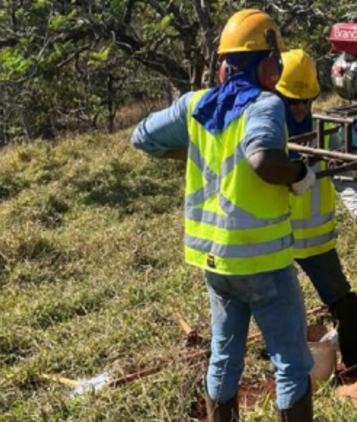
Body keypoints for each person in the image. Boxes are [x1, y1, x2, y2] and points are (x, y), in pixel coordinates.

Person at [130, 10, 316, 421]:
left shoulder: (195, 105)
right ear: (268, 66)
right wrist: (299, 174)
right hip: (263, 262)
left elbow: (141, 137)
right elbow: (262, 159)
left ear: (223, 66)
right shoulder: (266, 104)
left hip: (216, 263)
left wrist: (189, 151)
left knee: (224, 355)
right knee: (290, 362)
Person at [275, 49, 357, 371]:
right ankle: (289, 370)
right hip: (276, 242)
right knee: (278, 306)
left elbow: (343, 176)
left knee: (341, 298)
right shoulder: (267, 135)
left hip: (317, 243)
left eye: (306, 101)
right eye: (292, 102)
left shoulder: (326, 132)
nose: (300, 109)